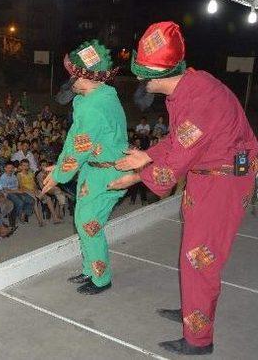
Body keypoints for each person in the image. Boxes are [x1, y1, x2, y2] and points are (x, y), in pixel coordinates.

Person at [110, 21, 258, 355]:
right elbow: (180, 140)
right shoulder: (189, 85)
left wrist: (134, 176)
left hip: (223, 182)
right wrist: (146, 155)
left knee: (200, 259)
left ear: (157, 76)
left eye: (143, 75)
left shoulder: (200, 99)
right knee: (193, 255)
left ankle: (198, 341)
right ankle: (195, 309)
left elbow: (175, 162)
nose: (141, 82)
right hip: (209, 174)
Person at [41, 39, 128, 295]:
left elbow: (81, 146)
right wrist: (58, 166)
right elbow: (73, 139)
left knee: (89, 223)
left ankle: (101, 279)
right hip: (93, 169)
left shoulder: (95, 107)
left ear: (84, 77)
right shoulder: (96, 95)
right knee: (83, 222)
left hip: (107, 172)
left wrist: (59, 175)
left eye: (72, 76)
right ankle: (90, 269)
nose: (69, 81)